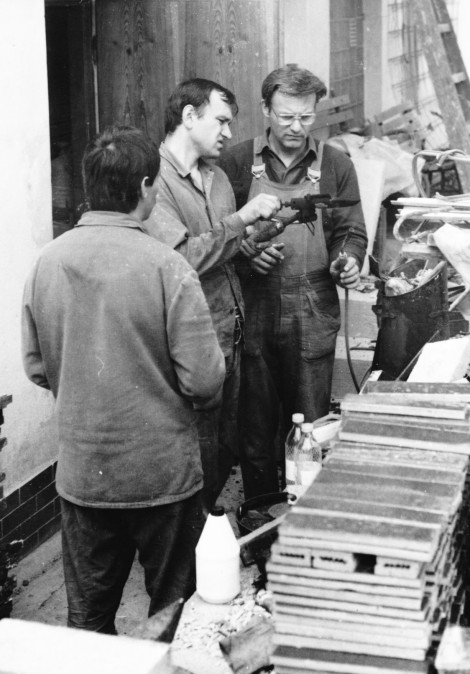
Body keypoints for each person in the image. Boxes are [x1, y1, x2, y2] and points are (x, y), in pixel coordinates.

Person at [21, 125, 226, 634]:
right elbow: (204, 381)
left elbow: (37, 366)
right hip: (162, 475)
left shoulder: (47, 262)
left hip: (83, 475)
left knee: (88, 623)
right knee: (173, 615)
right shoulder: (167, 266)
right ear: (144, 188)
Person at [218, 64, 368, 499]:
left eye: (306, 117)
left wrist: (347, 260)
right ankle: (259, 507)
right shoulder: (234, 162)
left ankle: (305, 510)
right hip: (253, 302)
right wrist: (246, 254)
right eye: (286, 117)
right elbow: (218, 233)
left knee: (311, 421)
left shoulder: (336, 164)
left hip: (313, 302)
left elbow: (351, 230)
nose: (297, 128)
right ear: (266, 109)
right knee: (255, 419)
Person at [144, 78, 280, 508]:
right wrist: (241, 220)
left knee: (224, 445)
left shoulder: (217, 177)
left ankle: (203, 528)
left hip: (230, 334)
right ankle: (192, 536)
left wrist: (256, 236)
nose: (228, 132)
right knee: (194, 453)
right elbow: (181, 258)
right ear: (189, 116)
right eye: (220, 121)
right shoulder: (155, 181)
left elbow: (220, 248)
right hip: (189, 344)